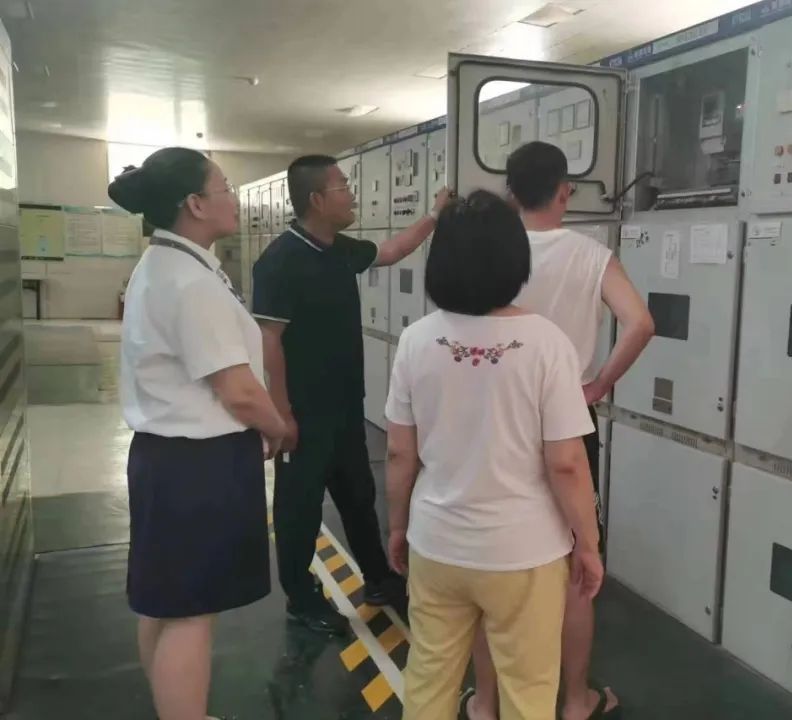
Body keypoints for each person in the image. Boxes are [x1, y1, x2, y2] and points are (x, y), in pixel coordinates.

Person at [385, 190, 604, 720]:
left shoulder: (416, 340)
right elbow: (566, 463)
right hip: (524, 551)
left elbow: (398, 453)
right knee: (528, 686)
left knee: (430, 674)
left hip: (437, 542)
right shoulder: (547, 343)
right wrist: (588, 542)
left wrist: (397, 526)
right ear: (514, 260)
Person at [466, 141, 654, 720]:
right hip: (568, 422)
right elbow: (641, 323)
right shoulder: (591, 255)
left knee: (494, 561)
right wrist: (597, 385)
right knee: (578, 565)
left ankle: (487, 703)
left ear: (510, 193)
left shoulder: (489, 253)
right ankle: (575, 701)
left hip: (497, 423)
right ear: (565, 191)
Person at [111, 148, 288, 720]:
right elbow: (237, 389)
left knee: (165, 604)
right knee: (192, 612)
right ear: (194, 203)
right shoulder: (189, 282)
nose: (234, 199)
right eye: (225, 187)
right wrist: (278, 426)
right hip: (199, 466)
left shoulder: (164, 265)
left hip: (168, 459)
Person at [253, 154, 451, 634]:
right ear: (318, 199)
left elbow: (391, 251)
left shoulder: (338, 249)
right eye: (343, 186)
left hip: (345, 407)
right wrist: (281, 414)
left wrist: (434, 215)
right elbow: (269, 340)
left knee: (359, 495)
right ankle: (301, 598)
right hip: (303, 412)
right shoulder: (280, 261)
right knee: (300, 508)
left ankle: (378, 577)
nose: (352, 193)